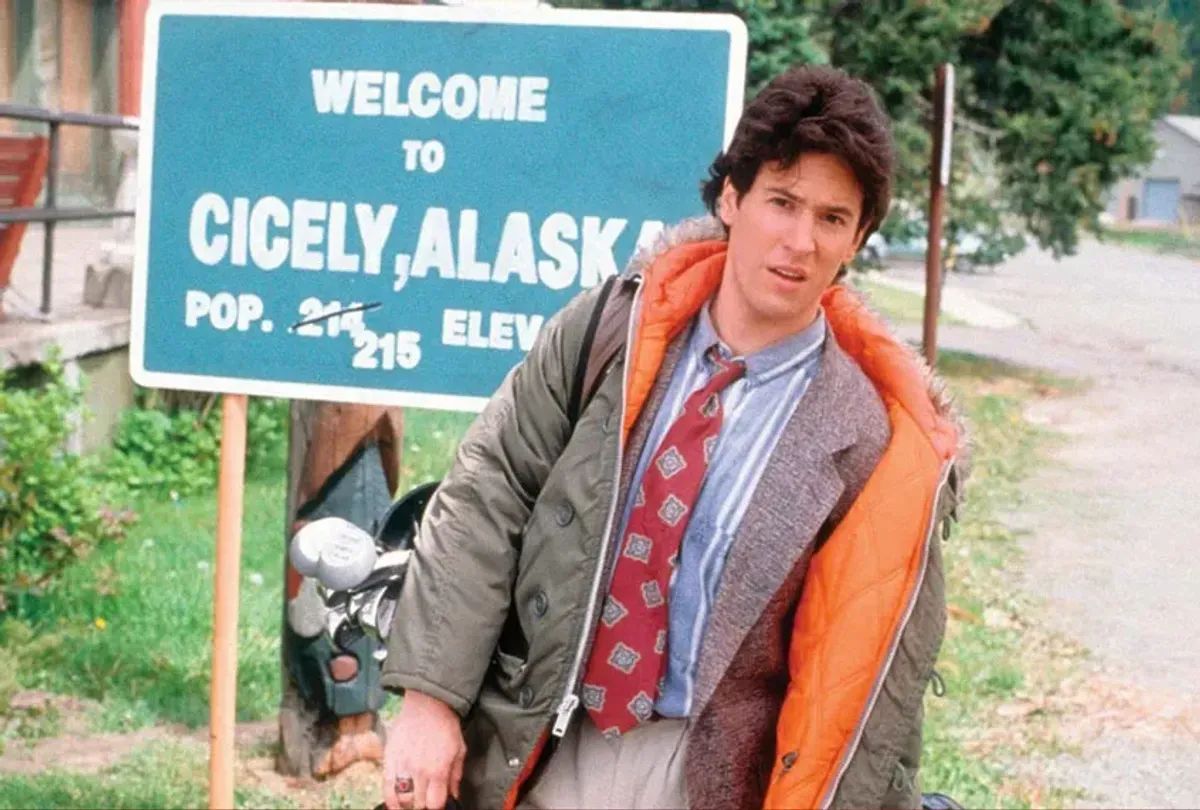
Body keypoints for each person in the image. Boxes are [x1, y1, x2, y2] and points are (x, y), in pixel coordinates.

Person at [380, 65, 965, 810]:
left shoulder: (868, 438)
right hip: (542, 733)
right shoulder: (610, 335)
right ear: (731, 198)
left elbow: (869, 675)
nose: (799, 241)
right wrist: (430, 700)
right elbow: (488, 493)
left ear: (856, 239)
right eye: (782, 202)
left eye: (831, 218)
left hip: (706, 773)